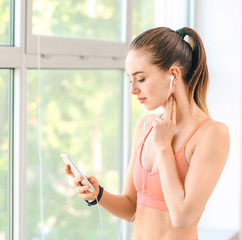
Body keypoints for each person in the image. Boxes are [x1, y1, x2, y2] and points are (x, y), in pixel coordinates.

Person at [65, 27, 230, 240]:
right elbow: (132, 208)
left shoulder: (211, 134)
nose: (133, 89)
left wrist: (163, 148)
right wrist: (98, 194)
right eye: (130, 80)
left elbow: (182, 216)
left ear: (173, 75)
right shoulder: (144, 126)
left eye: (141, 79)